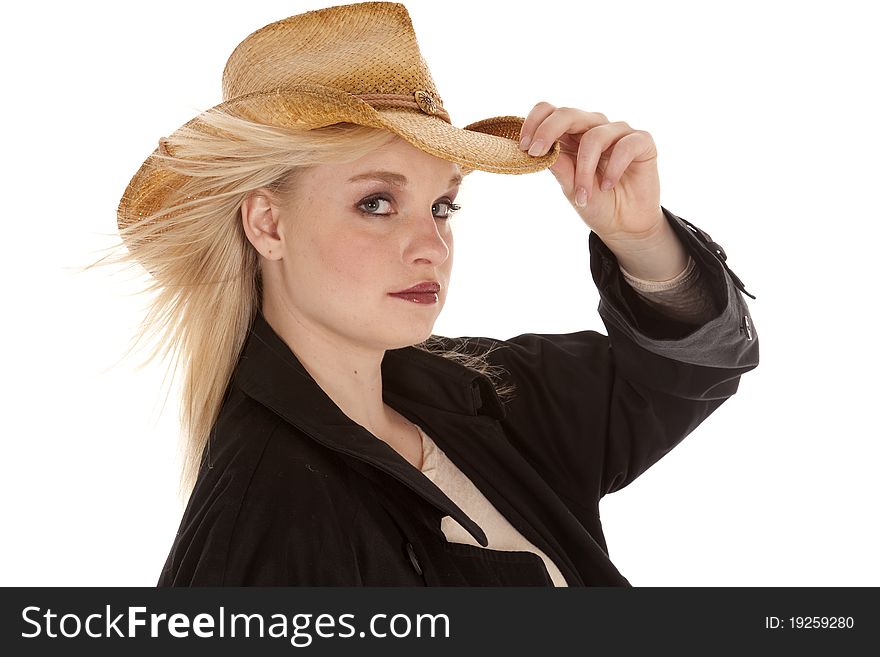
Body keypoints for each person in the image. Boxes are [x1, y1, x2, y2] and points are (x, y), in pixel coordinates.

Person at [113, 2, 758, 586]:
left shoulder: (479, 395)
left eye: (442, 205)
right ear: (268, 224)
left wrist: (639, 234)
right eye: (377, 202)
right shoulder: (267, 513)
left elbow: (690, 368)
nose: (431, 245)